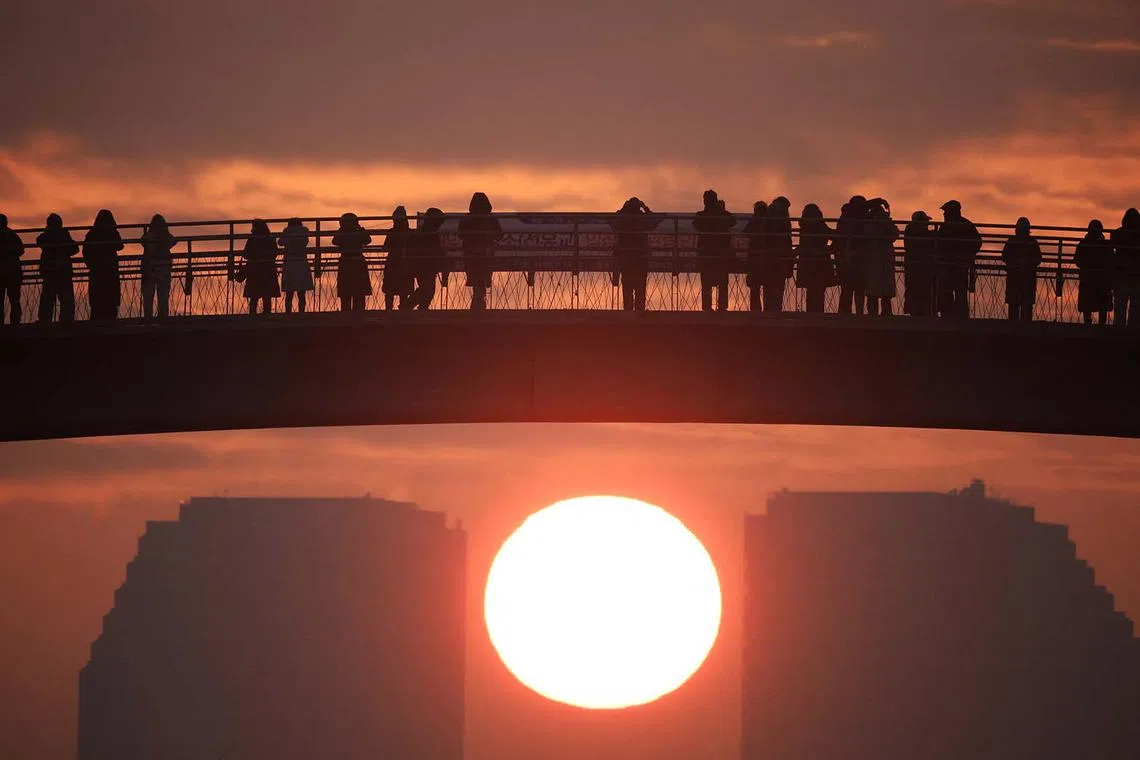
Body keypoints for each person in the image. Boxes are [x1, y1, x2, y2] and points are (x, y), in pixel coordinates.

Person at [936, 200, 982, 319]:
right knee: (956, 292)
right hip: (955, 264)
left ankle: (951, 317)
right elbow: (977, 242)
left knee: (955, 292)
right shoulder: (966, 225)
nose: (944, 215)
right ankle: (958, 317)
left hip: (955, 264)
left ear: (953, 212)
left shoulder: (951, 226)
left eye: (946, 212)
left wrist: (966, 254)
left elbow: (977, 243)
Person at [611, 197, 657, 311]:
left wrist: (623, 209)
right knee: (640, 294)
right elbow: (654, 222)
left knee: (627, 294)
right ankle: (640, 318)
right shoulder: (642, 219)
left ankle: (628, 317)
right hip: (641, 261)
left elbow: (614, 221)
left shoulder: (623, 220)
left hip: (626, 261)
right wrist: (645, 208)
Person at [457, 192, 501, 310]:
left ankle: (477, 305)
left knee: (476, 280)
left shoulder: (466, 218)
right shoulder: (491, 219)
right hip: (486, 252)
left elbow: (460, 234)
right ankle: (479, 305)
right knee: (482, 280)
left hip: (470, 253)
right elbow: (499, 234)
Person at [693, 190, 736, 311]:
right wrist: (721, 210)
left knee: (706, 282)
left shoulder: (701, 215)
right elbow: (733, 221)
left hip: (706, 252)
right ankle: (722, 306)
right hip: (721, 252)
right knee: (722, 281)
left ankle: (706, 307)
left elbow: (695, 223)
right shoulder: (722, 215)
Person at [82, 209, 124, 321]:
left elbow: (85, 250)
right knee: (110, 300)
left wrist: (90, 264)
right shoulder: (112, 232)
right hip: (110, 269)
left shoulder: (92, 233)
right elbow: (120, 246)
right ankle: (110, 322)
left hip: (97, 270)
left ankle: (96, 323)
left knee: (97, 300)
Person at [36, 214, 79, 323]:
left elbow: (39, 241)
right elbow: (75, 249)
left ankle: (45, 321)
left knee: (48, 299)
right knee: (66, 299)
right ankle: (66, 321)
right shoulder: (64, 235)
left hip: (50, 271)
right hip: (64, 271)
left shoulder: (46, 236)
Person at [1000, 217, 1042, 322]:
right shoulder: (1032, 242)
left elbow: (1004, 257)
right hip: (1027, 277)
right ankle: (1025, 330)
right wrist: (1028, 263)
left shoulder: (1011, 241)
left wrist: (1014, 263)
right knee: (1025, 306)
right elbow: (1038, 259)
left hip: (1015, 276)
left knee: (1015, 306)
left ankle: (1013, 329)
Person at [795, 204, 834, 314]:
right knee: (819, 290)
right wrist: (831, 248)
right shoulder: (821, 225)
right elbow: (834, 235)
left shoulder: (804, 226)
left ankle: (810, 313)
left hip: (806, 261)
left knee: (810, 290)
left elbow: (802, 244)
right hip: (821, 261)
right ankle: (818, 314)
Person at [863, 199, 899, 316]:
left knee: (872, 289)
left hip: (873, 256)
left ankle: (872, 314)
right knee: (886, 290)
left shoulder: (870, 223)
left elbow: (867, 234)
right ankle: (887, 313)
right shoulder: (887, 222)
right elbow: (895, 235)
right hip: (886, 256)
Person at [758, 196, 794, 313]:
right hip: (780, 256)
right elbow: (787, 239)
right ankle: (776, 309)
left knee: (769, 285)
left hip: (769, 256)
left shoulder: (768, 216)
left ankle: (768, 309)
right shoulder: (782, 218)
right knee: (778, 285)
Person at [1074, 219, 1114, 325]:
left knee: (1087, 303)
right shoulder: (1106, 244)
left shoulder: (1083, 244)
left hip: (1088, 278)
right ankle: (1101, 325)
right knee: (1102, 304)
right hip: (1101, 279)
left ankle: (1088, 324)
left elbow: (1077, 260)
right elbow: (1111, 260)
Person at [331, 212, 372, 312]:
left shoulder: (342, 234)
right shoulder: (358, 233)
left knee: (346, 293)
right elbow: (368, 240)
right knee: (359, 293)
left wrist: (340, 230)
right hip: (358, 261)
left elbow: (335, 241)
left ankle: (346, 315)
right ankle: (359, 315)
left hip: (345, 262)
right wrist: (361, 229)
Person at [140, 214, 177, 322]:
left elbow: (142, 241)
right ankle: (163, 318)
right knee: (163, 295)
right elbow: (174, 241)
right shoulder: (166, 236)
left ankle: (148, 318)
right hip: (164, 266)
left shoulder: (148, 236)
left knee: (148, 295)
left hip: (149, 267)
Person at [835, 196, 868, 315]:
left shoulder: (845, 216)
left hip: (846, 256)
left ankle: (844, 312)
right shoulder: (860, 217)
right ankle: (858, 312)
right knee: (858, 287)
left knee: (847, 288)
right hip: (857, 256)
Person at [239, 220, 279, 315]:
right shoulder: (270, 238)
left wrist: (255, 257)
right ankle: (267, 316)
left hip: (254, 270)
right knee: (267, 296)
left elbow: (245, 254)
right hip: (268, 269)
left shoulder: (252, 238)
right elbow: (275, 253)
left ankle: (252, 317)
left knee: (254, 296)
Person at [410, 207, 446, 310]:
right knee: (428, 288)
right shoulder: (429, 233)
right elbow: (435, 248)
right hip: (426, 264)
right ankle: (413, 305)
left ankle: (418, 305)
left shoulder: (423, 231)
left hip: (424, 264)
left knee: (426, 288)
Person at [903, 211, 937, 317]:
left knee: (912, 288)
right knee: (923, 289)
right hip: (923, 265)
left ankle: (914, 310)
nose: (927, 223)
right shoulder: (921, 232)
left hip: (912, 264)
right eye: (926, 221)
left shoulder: (909, 230)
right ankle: (924, 310)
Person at [277, 218, 314, 314]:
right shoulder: (304, 232)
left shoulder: (287, 232)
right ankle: (301, 313)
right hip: (302, 261)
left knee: (289, 293)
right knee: (302, 293)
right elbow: (305, 243)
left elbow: (280, 242)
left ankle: (288, 313)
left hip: (290, 262)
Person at [1112, 208, 1140, 327]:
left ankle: (1119, 328)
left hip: (1121, 272)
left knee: (1120, 304)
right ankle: (1132, 328)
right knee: (1135, 305)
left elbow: (1113, 246)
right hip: (1136, 272)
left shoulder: (1118, 233)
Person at [382, 206, 414, 310]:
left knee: (390, 291)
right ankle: (403, 310)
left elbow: (385, 247)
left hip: (392, 262)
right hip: (405, 263)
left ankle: (389, 311)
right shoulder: (409, 233)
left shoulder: (392, 232)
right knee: (403, 291)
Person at [742, 201, 768, 311]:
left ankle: (755, 309)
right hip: (766, 257)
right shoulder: (770, 221)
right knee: (767, 285)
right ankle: (768, 309)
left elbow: (744, 233)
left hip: (754, 256)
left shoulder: (753, 221)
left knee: (755, 287)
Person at [0, 214, 24, 325]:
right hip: (13, 272)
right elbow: (21, 250)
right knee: (14, 300)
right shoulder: (12, 235)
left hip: (4, 272)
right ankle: (15, 323)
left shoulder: (11, 235)